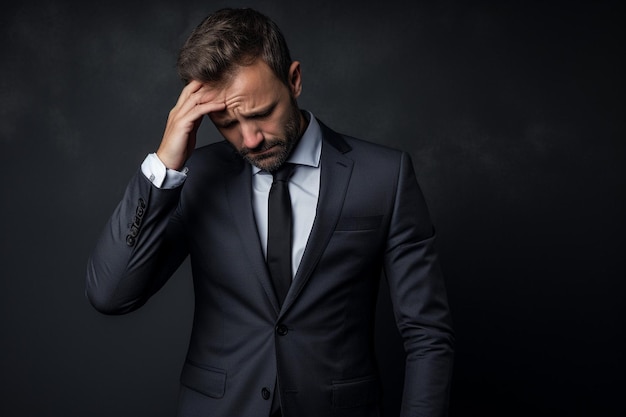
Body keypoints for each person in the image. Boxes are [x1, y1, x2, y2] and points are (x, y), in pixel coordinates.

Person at [86, 7, 454, 417]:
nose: (250, 139)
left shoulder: (385, 176)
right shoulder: (196, 178)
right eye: (225, 123)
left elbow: (428, 335)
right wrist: (164, 167)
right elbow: (111, 294)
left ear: (294, 80)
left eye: (261, 114)